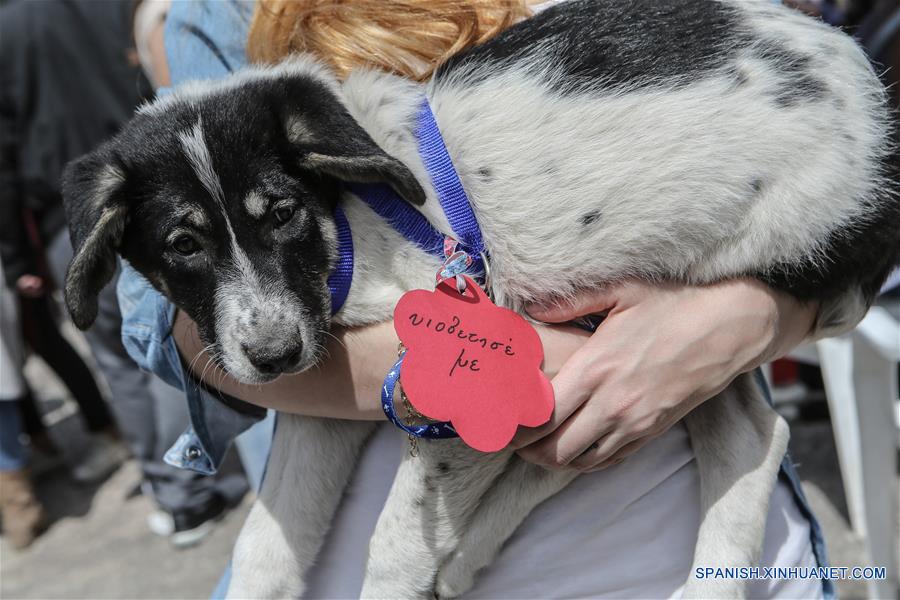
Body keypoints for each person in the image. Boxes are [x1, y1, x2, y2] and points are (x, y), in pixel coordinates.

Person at [118, 0, 894, 596]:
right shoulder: (222, 16)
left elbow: (832, 166)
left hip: (689, 541)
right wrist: (518, 359)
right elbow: (180, 328)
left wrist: (744, 317)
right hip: (382, 550)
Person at [0, 0, 246, 546]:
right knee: (171, 342)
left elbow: (5, 155)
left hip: (76, 221)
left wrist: (17, 259)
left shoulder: (7, 30)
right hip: (158, 200)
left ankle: (175, 493)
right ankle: (206, 476)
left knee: (124, 361)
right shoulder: (111, 6)